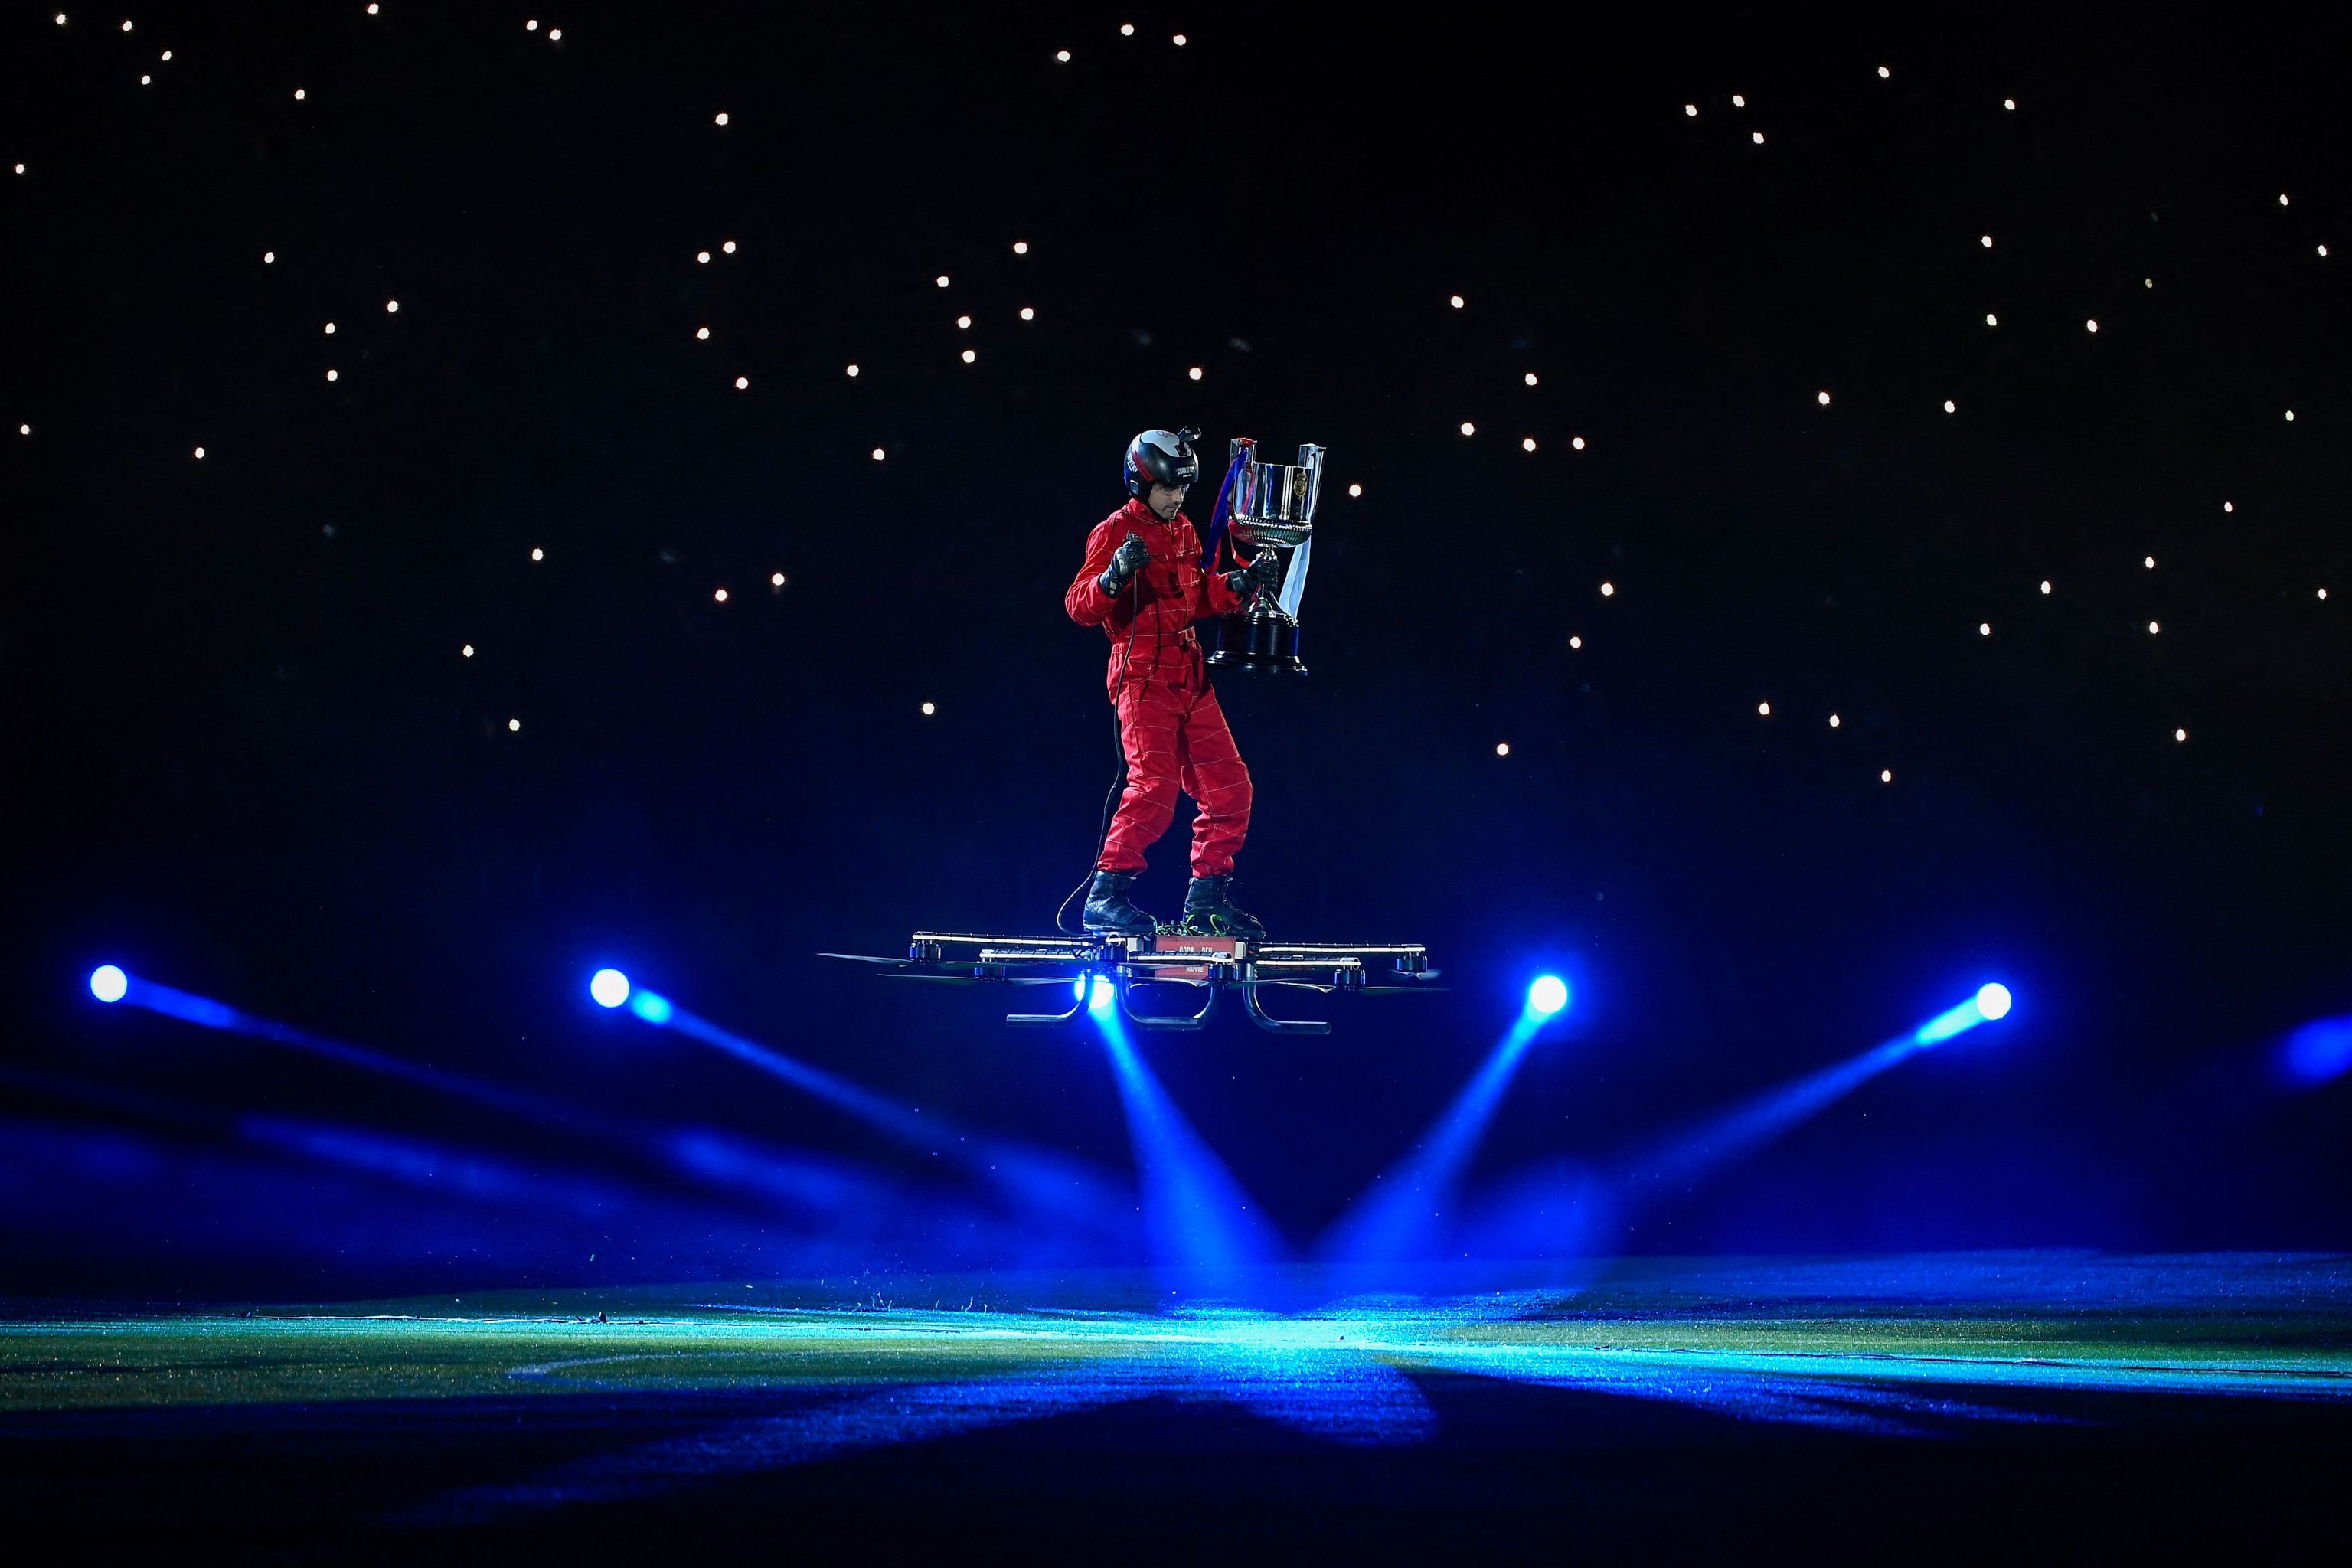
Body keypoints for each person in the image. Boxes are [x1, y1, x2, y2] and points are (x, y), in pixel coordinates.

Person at [1066, 428, 1282, 939]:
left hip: (1191, 675)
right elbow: (1078, 606)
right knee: (1154, 789)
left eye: (1182, 489)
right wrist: (1113, 577)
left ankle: (1207, 901)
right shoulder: (1114, 531)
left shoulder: (1184, 529)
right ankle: (1106, 895)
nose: (1176, 498)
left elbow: (1192, 599)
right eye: (1166, 489)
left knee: (1232, 789)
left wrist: (1238, 585)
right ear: (1140, 484)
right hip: (1142, 677)